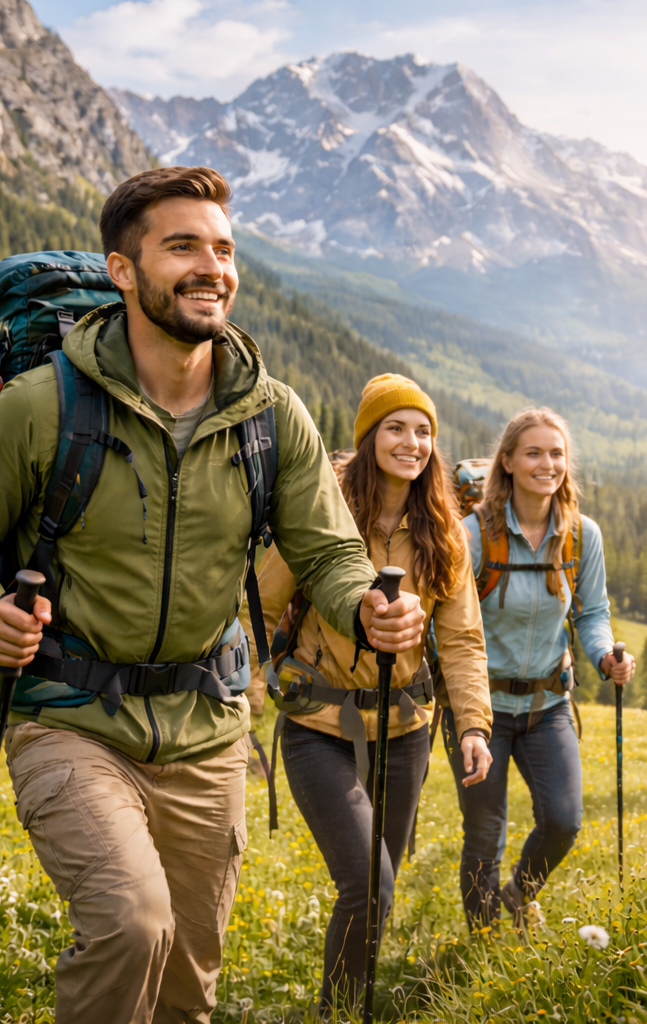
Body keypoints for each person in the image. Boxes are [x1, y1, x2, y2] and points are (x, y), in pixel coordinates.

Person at [0, 166, 426, 1024]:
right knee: (131, 922)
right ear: (123, 270)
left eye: (223, 249)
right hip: (69, 713)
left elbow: (330, 549)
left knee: (190, 980)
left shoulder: (272, 416)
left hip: (209, 727)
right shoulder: (44, 406)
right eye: (182, 245)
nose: (211, 266)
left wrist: (365, 606)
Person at [257, 374, 494, 1013]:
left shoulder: (443, 532)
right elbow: (259, 608)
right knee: (369, 883)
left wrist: (473, 725)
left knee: (378, 886)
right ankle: (338, 1011)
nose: (411, 443)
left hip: (407, 732)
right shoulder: (319, 513)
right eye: (395, 427)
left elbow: (465, 640)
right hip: (317, 728)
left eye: (423, 431)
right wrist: (238, 713)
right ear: (368, 437)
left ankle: (350, 998)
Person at [446, 407, 636, 932]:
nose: (546, 463)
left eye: (556, 454)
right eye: (533, 452)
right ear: (507, 461)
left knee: (563, 821)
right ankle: (482, 939)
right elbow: (454, 623)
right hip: (482, 710)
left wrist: (603, 656)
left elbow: (592, 612)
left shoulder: (580, 536)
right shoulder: (474, 534)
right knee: (485, 832)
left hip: (548, 705)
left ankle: (518, 893)